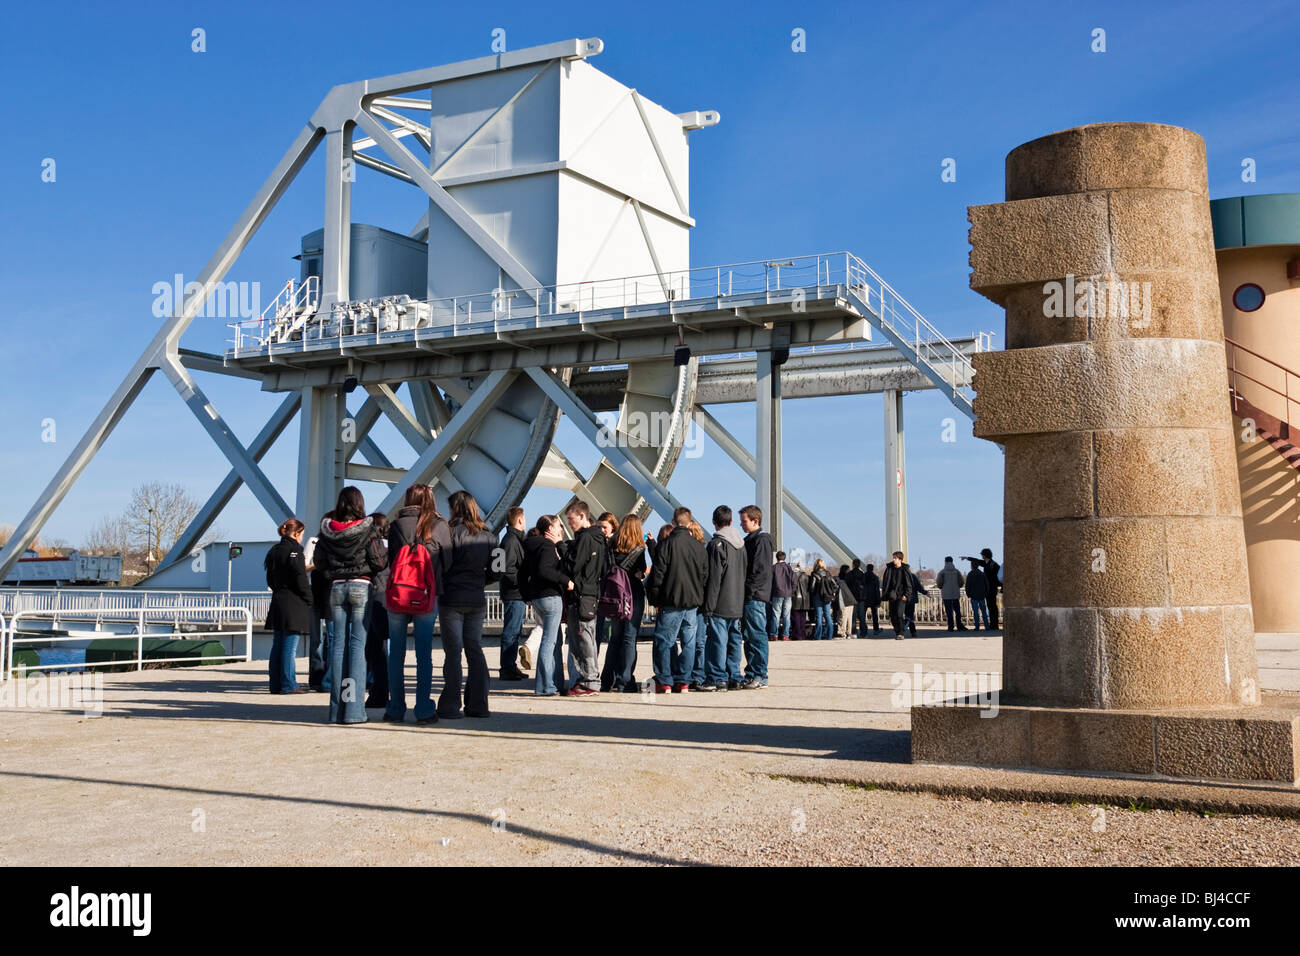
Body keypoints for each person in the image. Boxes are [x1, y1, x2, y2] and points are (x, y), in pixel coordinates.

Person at [314, 487, 385, 724]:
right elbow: (379, 560)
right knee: (357, 647)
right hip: (360, 587)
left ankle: (336, 711)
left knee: (337, 647)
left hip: (336, 587)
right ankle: (354, 710)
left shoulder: (327, 529)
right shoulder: (368, 528)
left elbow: (319, 561)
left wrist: (334, 573)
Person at [385, 484, 452, 725]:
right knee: (424, 655)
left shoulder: (396, 525)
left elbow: (391, 560)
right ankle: (423, 709)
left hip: (398, 596)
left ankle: (395, 708)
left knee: (396, 655)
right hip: (426, 596)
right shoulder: (440, 525)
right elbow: (448, 560)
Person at [437, 490, 499, 719]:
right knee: (474, 649)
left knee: (453, 652)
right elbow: (499, 570)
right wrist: (481, 581)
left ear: (455, 508)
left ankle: (450, 705)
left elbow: (441, 564)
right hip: (476, 598)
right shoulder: (490, 536)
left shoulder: (448, 533)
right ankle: (478, 704)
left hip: (451, 597)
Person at [648, 507, 708, 693]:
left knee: (664, 641)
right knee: (689, 643)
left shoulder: (666, 545)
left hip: (670, 600)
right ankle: (684, 681)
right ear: (690, 523)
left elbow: (658, 575)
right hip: (692, 602)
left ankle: (665, 680)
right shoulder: (699, 547)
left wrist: (655, 598)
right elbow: (705, 575)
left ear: (673, 522)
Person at [520, 515, 570, 696]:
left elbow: (521, 574)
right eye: (558, 526)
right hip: (551, 596)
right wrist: (566, 581)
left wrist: (527, 596)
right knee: (550, 643)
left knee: (553, 641)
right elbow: (545, 570)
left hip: (537, 598)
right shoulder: (548, 546)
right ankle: (545, 686)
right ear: (550, 528)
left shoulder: (530, 546)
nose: (560, 530)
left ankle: (555, 683)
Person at [562, 501, 607, 697]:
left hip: (580, 594)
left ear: (582, 516)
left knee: (582, 638)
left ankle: (589, 681)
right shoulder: (600, 538)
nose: (569, 524)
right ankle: (590, 679)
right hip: (591, 593)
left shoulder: (586, 539)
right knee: (588, 636)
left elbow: (573, 565)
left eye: (571, 519)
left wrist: (560, 547)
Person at [600, 514, 647, 693]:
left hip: (615, 597)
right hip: (633, 595)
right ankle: (625, 680)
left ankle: (606, 680)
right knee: (629, 638)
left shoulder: (610, 546)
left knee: (615, 638)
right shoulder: (638, 549)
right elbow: (641, 571)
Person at [264, 517, 312, 695]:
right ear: (297, 533)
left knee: (277, 644)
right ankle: (288, 684)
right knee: (289, 646)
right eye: (301, 534)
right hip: (294, 603)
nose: (301, 538)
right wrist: (309, 598)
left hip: (278, 601)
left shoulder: (274, 550)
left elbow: (269, 578)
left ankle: (275, 684)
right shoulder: (295, 551)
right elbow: (300, 577)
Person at [702, 505, 747, 692]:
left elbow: (714, 579)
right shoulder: (741, 546)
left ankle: (717, 677)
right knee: (734, 640)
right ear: (731, 521)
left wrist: (709, 606)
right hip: (737, 601)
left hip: (720, 601)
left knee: (718, 641)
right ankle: (734, 675)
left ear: (714, 522)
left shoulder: (716, 545)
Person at [739, 505, 774, 688]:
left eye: (744, 521)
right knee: (750, 635)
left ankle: (760, 674)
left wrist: (748, 591)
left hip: (755, 596)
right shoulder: (751, 540)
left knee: (756, 635)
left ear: (755, 521)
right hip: (752, 595)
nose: (741, 524)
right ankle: (753, 673)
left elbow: (760, 571)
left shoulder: (761, 540)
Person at [496, 506, 528, 681]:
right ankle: (507, 668)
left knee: (514, 631)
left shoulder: (510, 539)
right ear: (520, 520)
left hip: (514, 593)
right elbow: (506, 569)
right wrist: (521, 583)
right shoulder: (511, 541)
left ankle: (510, 666)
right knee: (511, 631)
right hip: (514, 593)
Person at [364, 512, 391, 709]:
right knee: (385, 647)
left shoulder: (372, 546)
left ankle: (377, 693)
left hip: (375, 594)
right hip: (392, 596)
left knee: (374, 648)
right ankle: (385, 691)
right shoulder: (394, 545)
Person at [686, 519, 709, 689]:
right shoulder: (702, 550)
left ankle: (696, 674)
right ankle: (696, 673)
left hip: (696, 602)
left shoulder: (699, 551)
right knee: (695, 640)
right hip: (698, 600)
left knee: (696, 640)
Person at [880, 551, 917, 641]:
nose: (893, 560)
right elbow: (886, 582)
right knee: (892, 615)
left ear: (900, 559)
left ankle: (900, 633)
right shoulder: (889, 569)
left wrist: (906, 595)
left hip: (902, 596)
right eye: (893, 558)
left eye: (895, 558)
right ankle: (897, 631)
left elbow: (909, 584)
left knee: (899, 614)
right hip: (892, 596)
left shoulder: (905, 570)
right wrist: (886, 593)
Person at [962, 549, 1001, 630]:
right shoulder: (985, 563)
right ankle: (992, 625)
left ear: (985, 555)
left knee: (993, 606)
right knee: (990, 606)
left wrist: (999, 586)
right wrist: (966, 558)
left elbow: (999, 577)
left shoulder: (994, 565)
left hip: (992, 588)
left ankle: (995, 624)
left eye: (982, 554)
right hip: (987, 588)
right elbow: (976, 560)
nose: (981, 556)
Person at [769, 551, 795, 641]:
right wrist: (792, 591)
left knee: (776, 615)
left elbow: (770, 582)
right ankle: (785, 635)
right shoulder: (789, 568)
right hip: (788, 594)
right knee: (786, 616)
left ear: (777, 558)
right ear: (785, 558)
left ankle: (774, 635)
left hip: (777, 593)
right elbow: (794, 581)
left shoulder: (773, 568)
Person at [936, 556, 967, 632]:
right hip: (955, 594)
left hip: (946, 595)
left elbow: (939, 584)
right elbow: (961, 582)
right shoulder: (957, 571)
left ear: (945, 562)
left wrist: (942, 587)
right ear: (952, 561)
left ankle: (951, 626)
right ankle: (959, 625)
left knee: (949, 611)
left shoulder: (942, 572)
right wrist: (957, 586)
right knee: (957, 611)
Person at [809, 559, 836, 640]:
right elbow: (835, 585)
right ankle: (829, 635)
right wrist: (832, 593)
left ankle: (818, 636)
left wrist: (813, 594)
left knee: (818, 616)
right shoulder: (828, 573)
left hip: (817, 597)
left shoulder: (814, 574)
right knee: (828, 615)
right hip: (827, 597)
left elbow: (812, 588)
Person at [845, 559, 868, 637]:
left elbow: (846, 586)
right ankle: (864, 632)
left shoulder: (849, 574)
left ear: (853, 564)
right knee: (862, 616)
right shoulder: (862, 574)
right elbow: (865, 586)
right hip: (861, 598)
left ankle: (854, 632)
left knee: (853, 616)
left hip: (852, 597)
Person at [965, 559, 991, 630]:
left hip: (973, 596)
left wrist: (968, 594)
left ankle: (977, 627)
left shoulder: (970, 574)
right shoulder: (982, 574)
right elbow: (987, 585)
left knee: (976, 612)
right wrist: (985, 593)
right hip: (982, 596)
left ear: (971, 566)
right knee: (984, 612)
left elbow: (967, 586)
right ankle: (987, 626)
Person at [791, 563, 811, 640]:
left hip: (795, 598)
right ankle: (803, 634)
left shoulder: (792, 575)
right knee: (803, 618)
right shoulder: (805, 575)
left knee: (795, 617)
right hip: (805, 599)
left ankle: (797, 635)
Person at [862, 563, 882, 636]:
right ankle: (875, 629)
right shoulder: (875, 578)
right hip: (873, 599)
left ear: (867, 568)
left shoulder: (863, 576)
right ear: (872, 569)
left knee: (862, 615)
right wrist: (878, 601)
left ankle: (863, 629)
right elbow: (877, 590)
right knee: (874, 615)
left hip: (864, 598)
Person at [906, 569, 926, 637]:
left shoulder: (900, 576)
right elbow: (919, 587)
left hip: (903, 599)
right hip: (912, 599)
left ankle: (902, 628)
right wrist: (925, 592)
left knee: (903, 615)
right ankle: (913, 632)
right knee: (910, 616)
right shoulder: (913, 576)